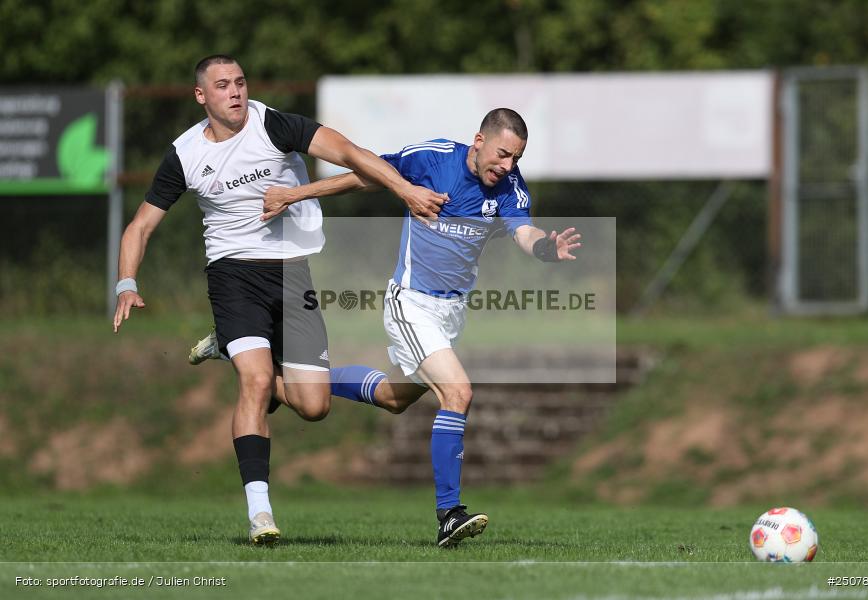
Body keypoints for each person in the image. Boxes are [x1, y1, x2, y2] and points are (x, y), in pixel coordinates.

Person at [195, 108, 581, 547]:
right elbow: (366, 173)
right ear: (479, 140)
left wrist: (547, 247)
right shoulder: (434, 159)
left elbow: (523, 233)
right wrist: (298, 193)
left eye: (516, 158)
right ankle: (448, 513)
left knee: (393, 398)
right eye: (503, 154)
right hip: (411, 305)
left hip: (450, 315)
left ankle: (275, 379)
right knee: (458, 392)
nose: (508, 166)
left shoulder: (510, 186)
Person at [112, 54, 446, 546]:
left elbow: (352, 153)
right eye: (222, 85)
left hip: (293, 272)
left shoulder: (276, 126)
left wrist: (405, 191)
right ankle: (260, 514)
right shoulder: (184, 154)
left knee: (313, 406)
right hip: (233, 273)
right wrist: (127, 283)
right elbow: (141, 225)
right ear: (201, 96)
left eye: (241, 82)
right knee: (257, 380)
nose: (235, 91)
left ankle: (229, 345)